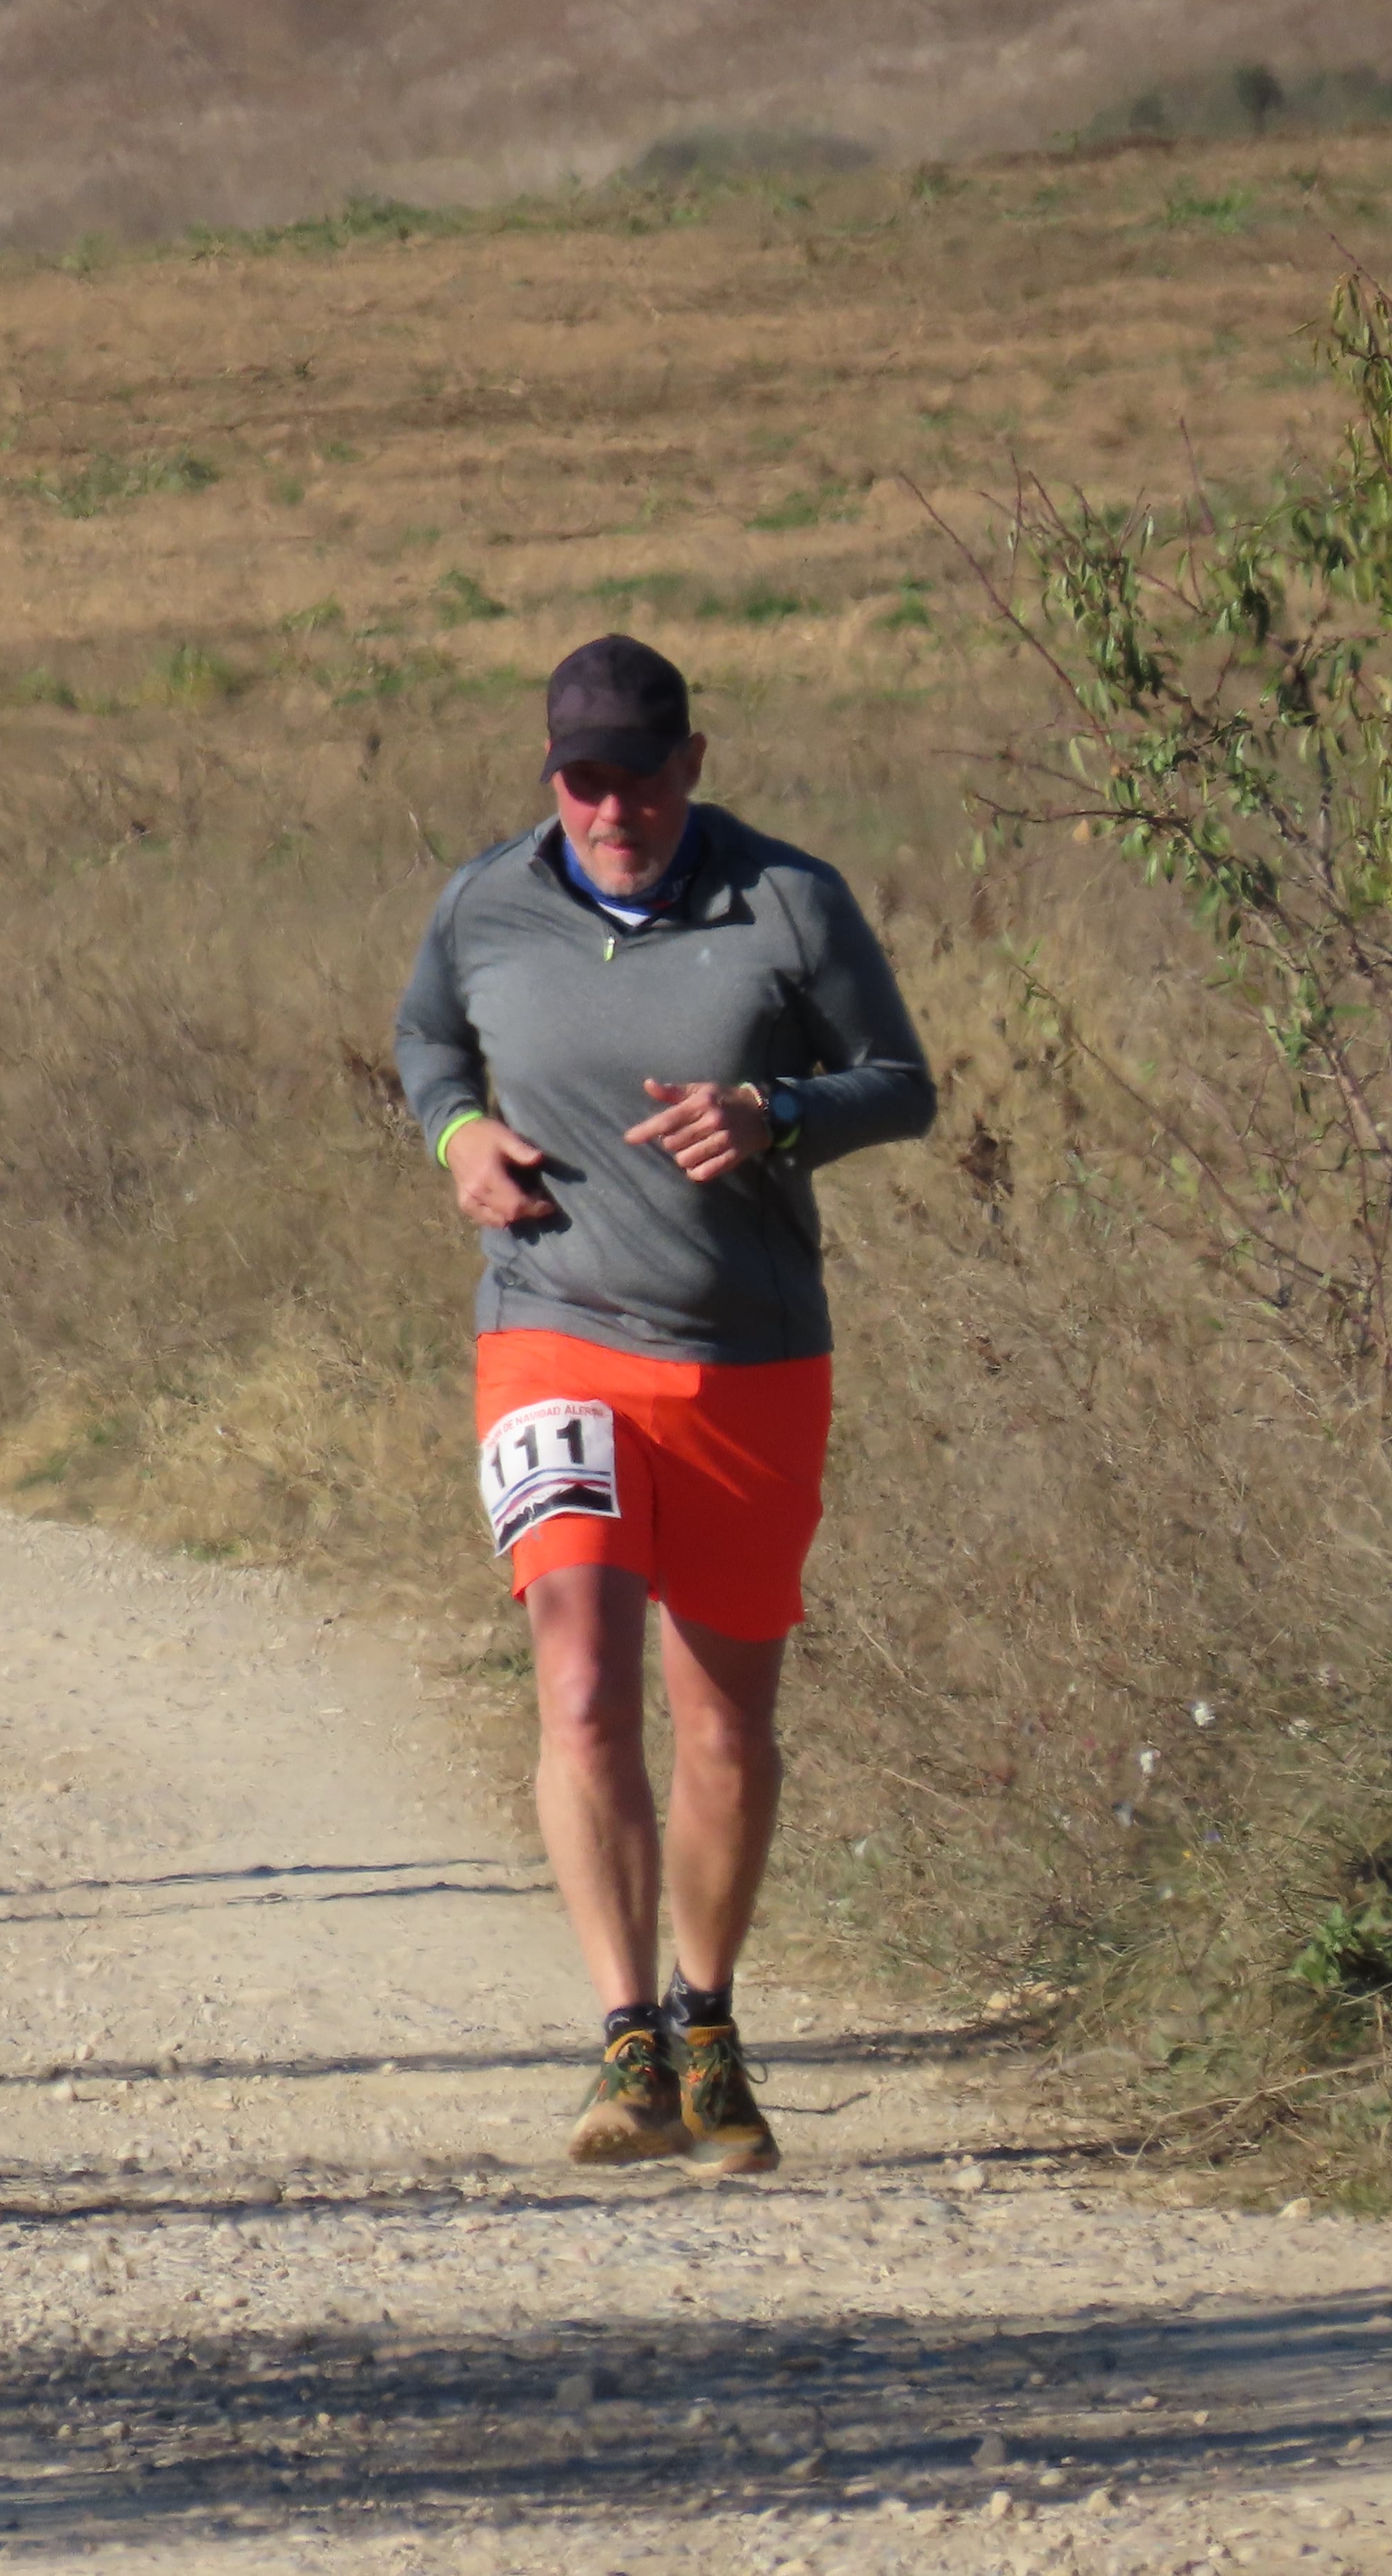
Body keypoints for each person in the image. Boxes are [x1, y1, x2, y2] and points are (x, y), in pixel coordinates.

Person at [393, 635, 935, 2179]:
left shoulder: (787, 901)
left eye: (639, 774)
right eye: (583, 778)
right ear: (551, 773)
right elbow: (428, 1035)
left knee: (725, 1725)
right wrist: (453, 1139)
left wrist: (777, 1110)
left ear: (695, 760)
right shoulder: (485, 899)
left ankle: (709, 2017)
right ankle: (623, 2034)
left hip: (748, 1354)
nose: (612, 805)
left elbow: (900, 1081)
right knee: (578, 1680)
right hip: (550, 1334)